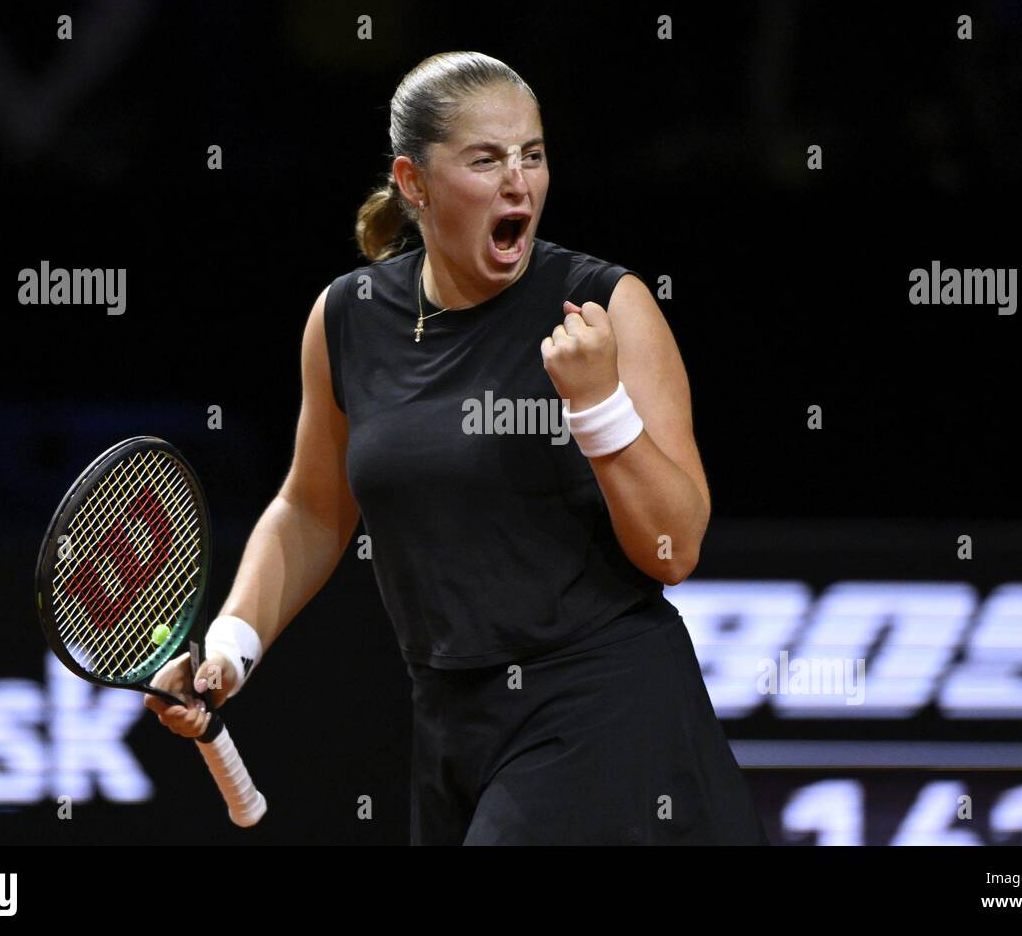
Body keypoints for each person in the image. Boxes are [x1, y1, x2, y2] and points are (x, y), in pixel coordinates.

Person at [146, 50, 767, 846]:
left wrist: (601, 406)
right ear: (413, 182)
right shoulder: (347, 317)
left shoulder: (607, 307)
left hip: (603, 706)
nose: (520, 183)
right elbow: (311, 507)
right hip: (450, 726)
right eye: (487, 159)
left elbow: (674, 551)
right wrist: (232, 646)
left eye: (533, 155)